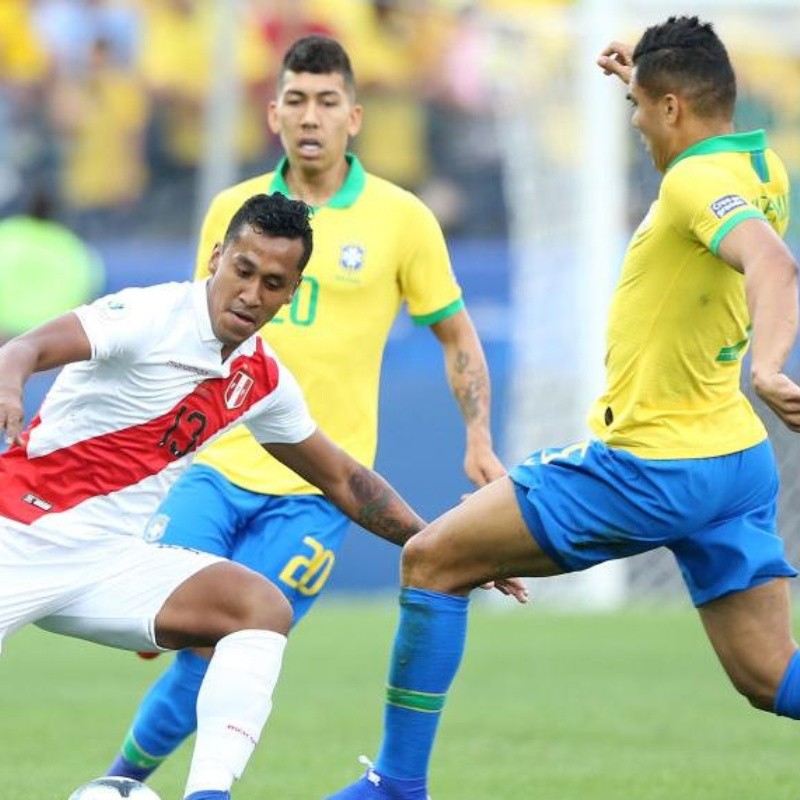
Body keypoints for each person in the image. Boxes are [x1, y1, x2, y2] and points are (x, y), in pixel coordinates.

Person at [324, 15, 800, 800]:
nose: (638, 122)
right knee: (769, 674)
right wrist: (638, 77)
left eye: (643, 109)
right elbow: (739, 206)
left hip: (649, 464)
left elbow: (774, 265)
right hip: (733, 466)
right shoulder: (763, 165)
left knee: (432, 560)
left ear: (675, 108)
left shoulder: (691, 183)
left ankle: (395, 787)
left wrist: (771, 364)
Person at [106, 33, 508, 784]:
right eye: (296, 99)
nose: (311, 116)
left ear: (355, 117)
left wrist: (478, 436)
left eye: (327, 101)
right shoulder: (235, 211)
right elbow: (191, 340)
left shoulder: (402, 219)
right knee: (151, 632)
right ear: (273, 113)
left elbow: (456, 334)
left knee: (226, 640)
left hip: (321, 492)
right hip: (216, 469)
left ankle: (120, 781)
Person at [0, 192, 431, 800]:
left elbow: (342, 478)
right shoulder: (148, 315)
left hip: (110, 561)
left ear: (293, 292)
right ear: (216, 258)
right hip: (15, 536)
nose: (252, 294)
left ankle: (208, 794)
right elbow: (24, 348)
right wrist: (11, 390)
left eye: (273, 282)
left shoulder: (261, 378)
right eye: (244, 271)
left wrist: (435, 542)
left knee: (260, 607)